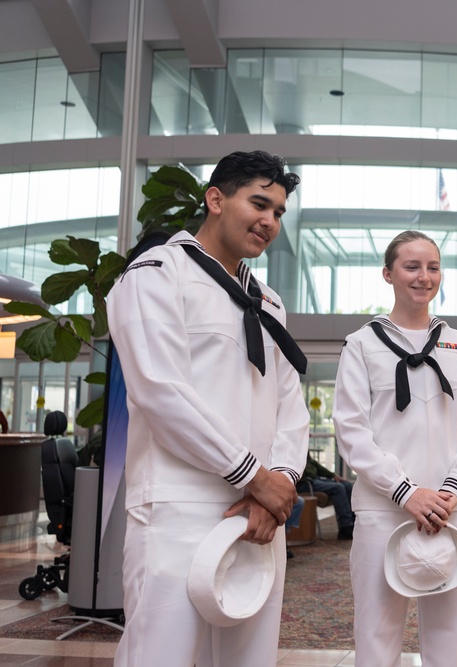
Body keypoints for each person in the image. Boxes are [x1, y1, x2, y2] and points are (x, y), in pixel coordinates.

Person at [107, 150, 310, 666]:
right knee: (161, 657)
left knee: (250, 660)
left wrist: (275, 488)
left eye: (279, 212)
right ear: (215, 200)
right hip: (179, 507)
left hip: (259, 515)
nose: (270, 221)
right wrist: (252, 476)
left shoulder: (269, 301)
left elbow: (291, 405)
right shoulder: (156, 273)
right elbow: (160, 391)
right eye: (259, 204)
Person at [333, 230, 457, 667]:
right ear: (388, 274)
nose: (424, 277)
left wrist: (451, 489)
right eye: (412, 266)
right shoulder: (361, 345)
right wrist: (405, 490)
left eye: (433, 267)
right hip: (384, 510)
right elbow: (351, 430)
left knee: (450, 634)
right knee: (377, 631)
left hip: (453, 509)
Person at [297, 452, 355, 539]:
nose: (310, 437)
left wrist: (333, 475)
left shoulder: (305, 449)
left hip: (314, 480)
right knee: (338, 488)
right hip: (305, 483)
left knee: (347, 485)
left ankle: (353, 522)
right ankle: (346, 527)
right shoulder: (295, 447)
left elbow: (316, 466)